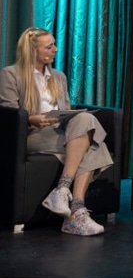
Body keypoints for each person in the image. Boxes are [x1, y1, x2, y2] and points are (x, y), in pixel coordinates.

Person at [0, 27, 114, 236]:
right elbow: (8, 114)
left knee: (85, 119)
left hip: (59, 130)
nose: (56, 49)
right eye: (49, 46)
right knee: (95, 145)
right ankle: (76, 214)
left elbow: (66, 110)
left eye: (54, 45)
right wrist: (32, 118)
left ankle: (63, 192)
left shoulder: (58, 77)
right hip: (31, 134)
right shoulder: (10, 75)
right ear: (32, 50)